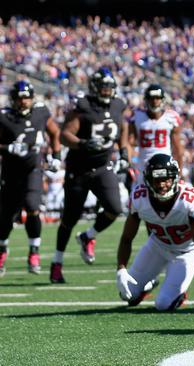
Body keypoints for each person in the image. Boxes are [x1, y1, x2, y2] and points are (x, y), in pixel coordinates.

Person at [50, 67, 130, 283]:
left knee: (115, 208)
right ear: (95, 88)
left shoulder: (118, 104)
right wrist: (83, 143)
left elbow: (122, 127)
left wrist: (123, 152)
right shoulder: (83, 106)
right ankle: (56, 263)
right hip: (79, 170)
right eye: (103, 87)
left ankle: (88, 236)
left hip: (103, 167)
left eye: (109, 87)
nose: (107, 91)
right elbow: (65, 135)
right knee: (69, 218)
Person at [116, 154, 194, 312]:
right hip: (157, 246)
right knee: (127, 294)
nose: (162, 184)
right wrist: (121, 269)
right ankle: (147, 285)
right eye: (157, 180)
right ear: (148, 180)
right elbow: (126, 238)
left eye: (166, 179)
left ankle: (177, 293)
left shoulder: (189, 200)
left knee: (163, 304)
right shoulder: (140, 198)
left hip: (185, 252)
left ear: (175, 178)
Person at [0, 80, 61, 276]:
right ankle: (2, 249)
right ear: (13, 99)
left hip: (33, 169)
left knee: (33, 207)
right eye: (20, 98)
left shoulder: (41, 112)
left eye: (27, 97)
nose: (24, 101)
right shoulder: (4, 116)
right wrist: (6, 148)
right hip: (10, 172)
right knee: (6, 215)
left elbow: (54, 131)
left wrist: (56, 156)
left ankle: (34, 251)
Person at [128, 84, 184, 185]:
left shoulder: (171, 117)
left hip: (165, 164)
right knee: (140, 196)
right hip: (143, 166)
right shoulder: (136, 115)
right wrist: (130, 164)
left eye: (157, 98)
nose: (154, 101)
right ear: (146, 100)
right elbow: (130, 143)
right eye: (151, 98)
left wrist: (180, 172)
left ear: (162, 99)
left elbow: (178, 149)